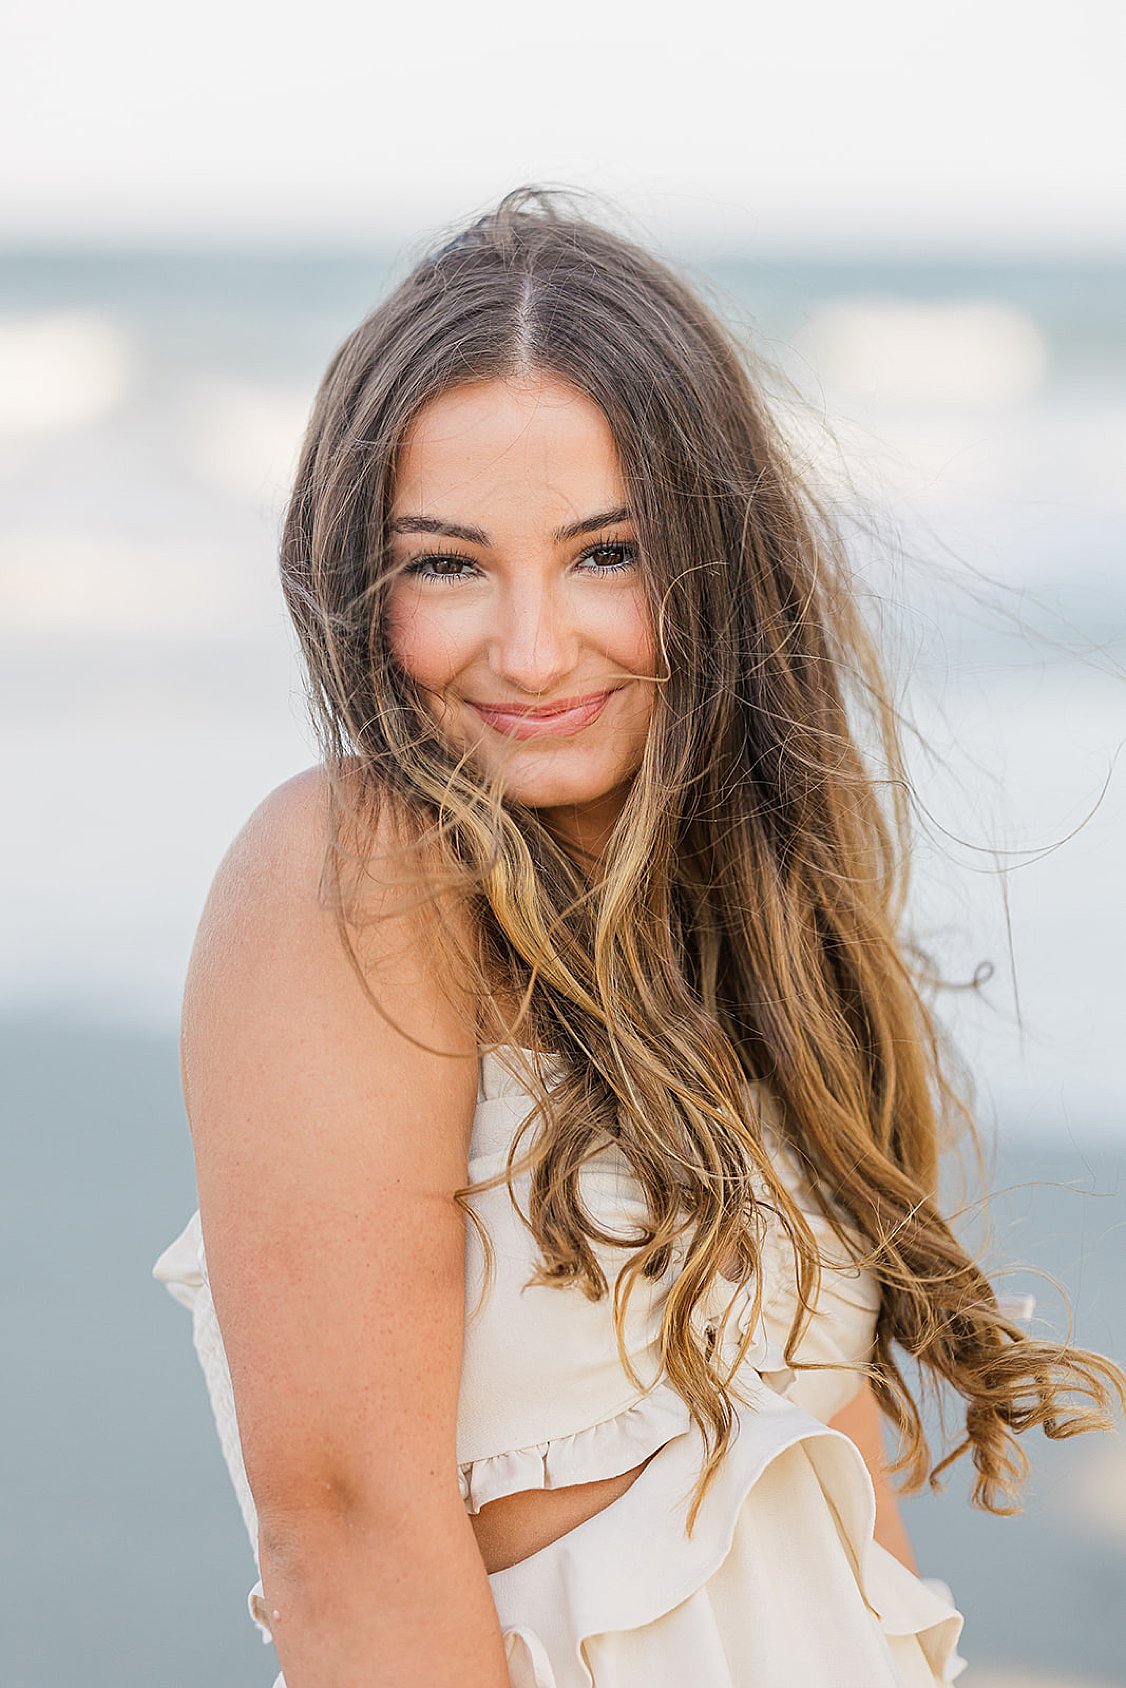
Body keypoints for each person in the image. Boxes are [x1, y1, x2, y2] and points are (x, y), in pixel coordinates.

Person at [153, 187, 1126, 1688]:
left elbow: (845, 1513)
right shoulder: (353, 873)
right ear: (359, 585)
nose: (534, 648)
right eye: (447, 564)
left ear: (720, 560)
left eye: (607, 553)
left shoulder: (754, 932)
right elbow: (343, 1539)